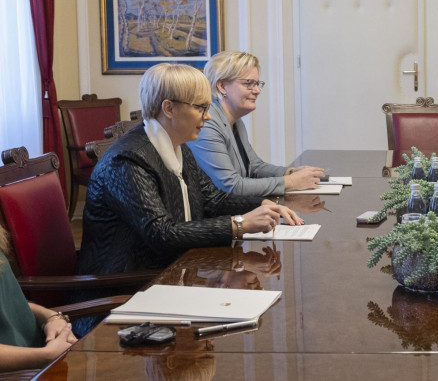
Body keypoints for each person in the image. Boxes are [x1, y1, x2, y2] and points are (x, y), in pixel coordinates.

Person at [76, 63, 304, 277]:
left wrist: (262, 204)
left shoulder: (179, 147)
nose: (207, 116)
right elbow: (162, 233)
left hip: (176, 272)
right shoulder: (127, 160)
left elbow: (213, 199)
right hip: (128, 288)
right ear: (169, 108)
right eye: (200, 107)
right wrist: (239, 225)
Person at [188, 51, 323, 197]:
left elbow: (255, 167)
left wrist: (290, 172)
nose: (257, 91)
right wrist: (290, 182)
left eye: (257, 84)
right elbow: (230, 186)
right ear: (222, 86)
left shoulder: (235, 120)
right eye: (248, 84)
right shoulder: (207, 124)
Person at [0, 225, 77, 372]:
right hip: (22, 371)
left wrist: (50, 317)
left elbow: (9, 301)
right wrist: (45, 356)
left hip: (39, 357)